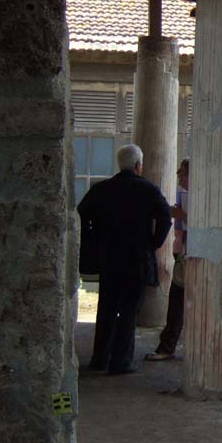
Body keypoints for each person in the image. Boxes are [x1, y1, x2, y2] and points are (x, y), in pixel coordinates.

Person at [78, 144, 171, 375]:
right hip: (137, 259)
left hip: (109, 258)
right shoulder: (148, 189)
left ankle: (100, 358)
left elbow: (81, 214)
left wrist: (93, 240)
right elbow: (166, 217)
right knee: (129, 311)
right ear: (139, 165)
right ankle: (120, 362)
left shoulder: (102, 189)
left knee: (107, 308)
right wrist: (153, 243)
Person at [145, 157, 189, 361]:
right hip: (182, 252)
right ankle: (168, 345)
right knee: (177, 301)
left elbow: (200, 221)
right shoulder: (185, 193)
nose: (178, 175)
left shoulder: (199, 195)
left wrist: (179, 213)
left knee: (178, 301)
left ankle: (168, 345)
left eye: (181, 171)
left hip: (191, 254)